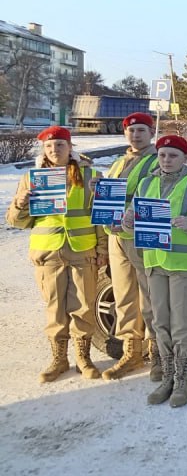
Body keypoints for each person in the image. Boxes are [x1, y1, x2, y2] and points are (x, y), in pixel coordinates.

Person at [6, 126, 108, 382]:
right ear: (44, 150)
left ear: (70, 147)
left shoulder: (91, 175)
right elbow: (16, 222)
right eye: (49, 147)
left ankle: (83, 359)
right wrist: (20, 204)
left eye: (60, 145)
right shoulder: (32, 178)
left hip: (81, 251)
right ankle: (59, 359)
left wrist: (102, 249)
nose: (55, 150)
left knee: (83, 307)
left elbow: (101, 217)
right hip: (48, 252)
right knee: (55, 308)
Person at [121, 135, 187, 408]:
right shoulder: (147, 183)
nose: (166, 160)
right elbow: (132, 219)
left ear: (185, 158)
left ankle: (183, 379)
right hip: (154, 261)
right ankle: (168, 376)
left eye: (173, 155)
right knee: (160, 321)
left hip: (184, 264)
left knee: (182, 323)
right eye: (162, 155)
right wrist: (127, 221)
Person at [99, 112, 160, 381]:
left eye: (141, 130)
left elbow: (155, 196)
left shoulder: (159, 160)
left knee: (151, 296)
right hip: (117, 237)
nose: (136, 135)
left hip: (141, 236)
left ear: (151, 133)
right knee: (124, 295)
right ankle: (131, 352)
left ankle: (157, 351)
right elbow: (110, 198)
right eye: (131, 130)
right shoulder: (118, 163)